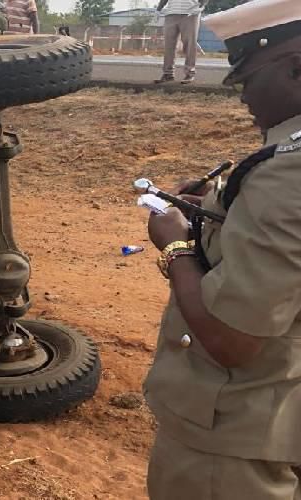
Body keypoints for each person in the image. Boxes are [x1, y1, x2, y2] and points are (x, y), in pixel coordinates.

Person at [144, 0, 301, 498]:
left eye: (248, 80)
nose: (243, 99)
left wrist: (176, 249)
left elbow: (233, 340)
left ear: (296, 66)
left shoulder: (286, 174)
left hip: (231, 437)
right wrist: (217, 207)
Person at [154, 0, 207, 84]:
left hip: (190, 13)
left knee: (189, 44)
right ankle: (168, 74)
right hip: (171, 13)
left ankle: (190, 73)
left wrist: (201, 7)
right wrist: (158, 9)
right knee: (169, 45)